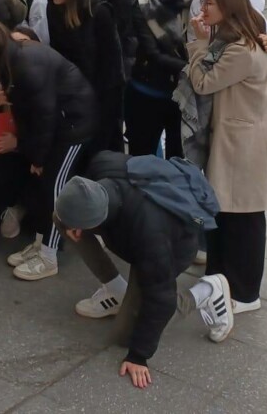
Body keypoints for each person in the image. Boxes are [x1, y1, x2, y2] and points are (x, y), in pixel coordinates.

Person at [56, 153, 231, 389]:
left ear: (96, 220)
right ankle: (117, 291)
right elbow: (80, 196)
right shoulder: (101, 168)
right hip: (129, 233)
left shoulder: (150, 235)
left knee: (125, 337)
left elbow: (162, 299)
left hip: (174, 247)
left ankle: (206, 292)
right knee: (59, 218)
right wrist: (70, 223)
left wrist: (139, 356)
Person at [188, 0, 267, 320]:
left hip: (245, 143)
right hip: (238, 138)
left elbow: (203, 81)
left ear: (227, 7)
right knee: (225, 214)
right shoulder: (233, 38)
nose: (201, 7)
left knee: (245, 218)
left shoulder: (240, 49)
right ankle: (219, 279)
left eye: (208, 2)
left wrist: (197, 44)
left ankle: (247, 291)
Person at [0, 18, 96, 280]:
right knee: (45, 185)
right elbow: (30, 114)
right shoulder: (11, 60)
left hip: (72, 125)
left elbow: (43, 116)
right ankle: (40, 244)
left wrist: (39, 156)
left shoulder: (24, 65)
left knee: (55, 187)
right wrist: (34, 153)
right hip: (59, 123)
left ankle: (49, 256)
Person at [44, 0, 120, 150]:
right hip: (72, 90)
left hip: (101, 91)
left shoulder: (99, 11)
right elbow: (57, 50)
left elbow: (110, 63)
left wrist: (102, 101)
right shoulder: (53, 6)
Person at [127, 0, 194, 159]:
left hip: (184, 97)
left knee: (179, 161)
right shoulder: (142, 3)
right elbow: (153, 53)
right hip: (147, 92)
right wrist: (194, 68)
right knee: (143, 160)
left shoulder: (196, 2)